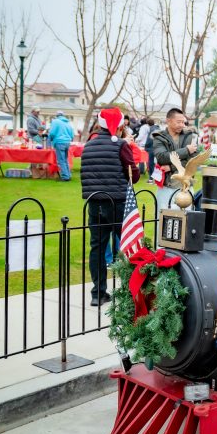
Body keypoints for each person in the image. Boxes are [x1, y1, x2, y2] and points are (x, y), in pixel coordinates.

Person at [81, 108, 139, 307]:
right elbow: (135, 175)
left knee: (97, 247)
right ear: (120, 125)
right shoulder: (121, 145)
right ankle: (132, 291)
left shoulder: (88, 144)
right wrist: (129, 147)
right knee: (128, 245)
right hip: (116, 201)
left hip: (93, 201)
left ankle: (98, 293)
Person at [151, 108, 199, 212]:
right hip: (166, 188)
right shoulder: (159, 137)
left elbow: (193, 161)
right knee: (162, 223)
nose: (182, 125)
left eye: (183, 122)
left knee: (186, 224)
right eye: (179, 122)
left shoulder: (190, 136)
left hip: (186, 188)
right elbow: (162, 157)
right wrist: (186, 150)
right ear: (168, 121)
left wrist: (171, 167)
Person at [47, 111, 75, 181]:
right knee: (65, 160)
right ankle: (68, 175)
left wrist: (50, 140)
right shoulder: (68, 122)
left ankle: (65, 177)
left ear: (57, 116)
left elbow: (52, 133)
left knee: (61, 160)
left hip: (59, 142)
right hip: (67, 142)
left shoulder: (55, 121)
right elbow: (72, 134)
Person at [143, 117, 159, 183]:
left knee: (151, 163)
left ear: (148, 124)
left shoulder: (152, 129)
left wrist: (145, 147)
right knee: (157, 163)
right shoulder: (158, 128)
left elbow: (149, 140)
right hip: (158, 148)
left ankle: (151, 178)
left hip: (151, 148)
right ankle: (157, 178)